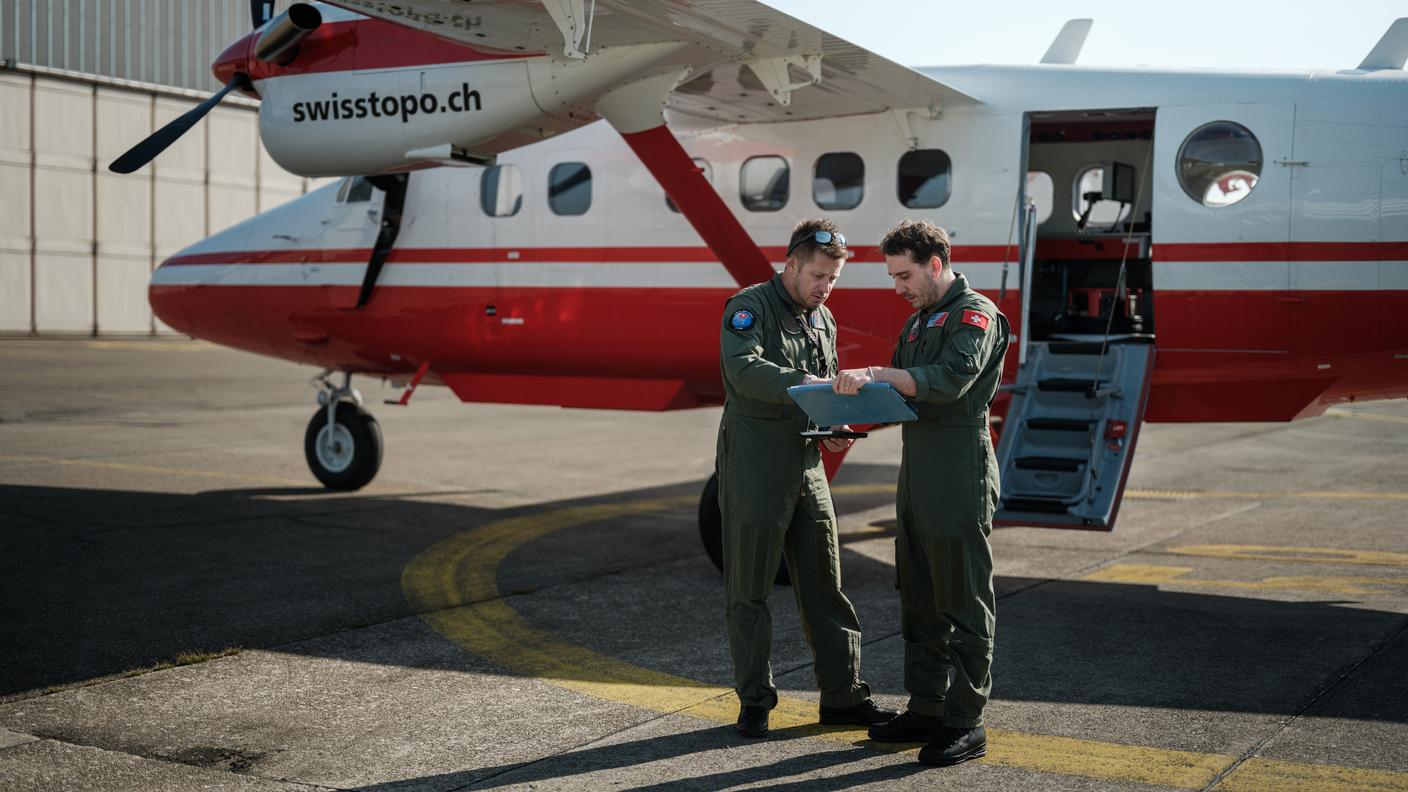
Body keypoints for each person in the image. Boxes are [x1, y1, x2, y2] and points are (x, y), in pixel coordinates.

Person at [831, 219, 1009, 767]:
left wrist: (873, 372)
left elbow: (949, 380)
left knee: (962, 593)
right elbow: (899, 397)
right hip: (918, 470)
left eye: (904, 274)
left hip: (958, 467)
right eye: (892, 276)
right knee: (920, 594)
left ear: (936, 264)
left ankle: (966, 717)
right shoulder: (917, 324)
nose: (898, 286)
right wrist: (844, 419)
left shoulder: (975, 316)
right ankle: (928, 706)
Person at [717, 218, 897, 738]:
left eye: (833, 279)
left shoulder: (823, 320)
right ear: (791, 265)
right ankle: (754, 700)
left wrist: (833, 427)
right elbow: (743, 371)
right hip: (757, 466)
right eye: (819, 275)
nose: (825, 287)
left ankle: (842, 697)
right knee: (749, 590)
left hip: (807, 466)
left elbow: (827, 390)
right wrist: (809, 385)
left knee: (826, 586)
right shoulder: (749, 307)